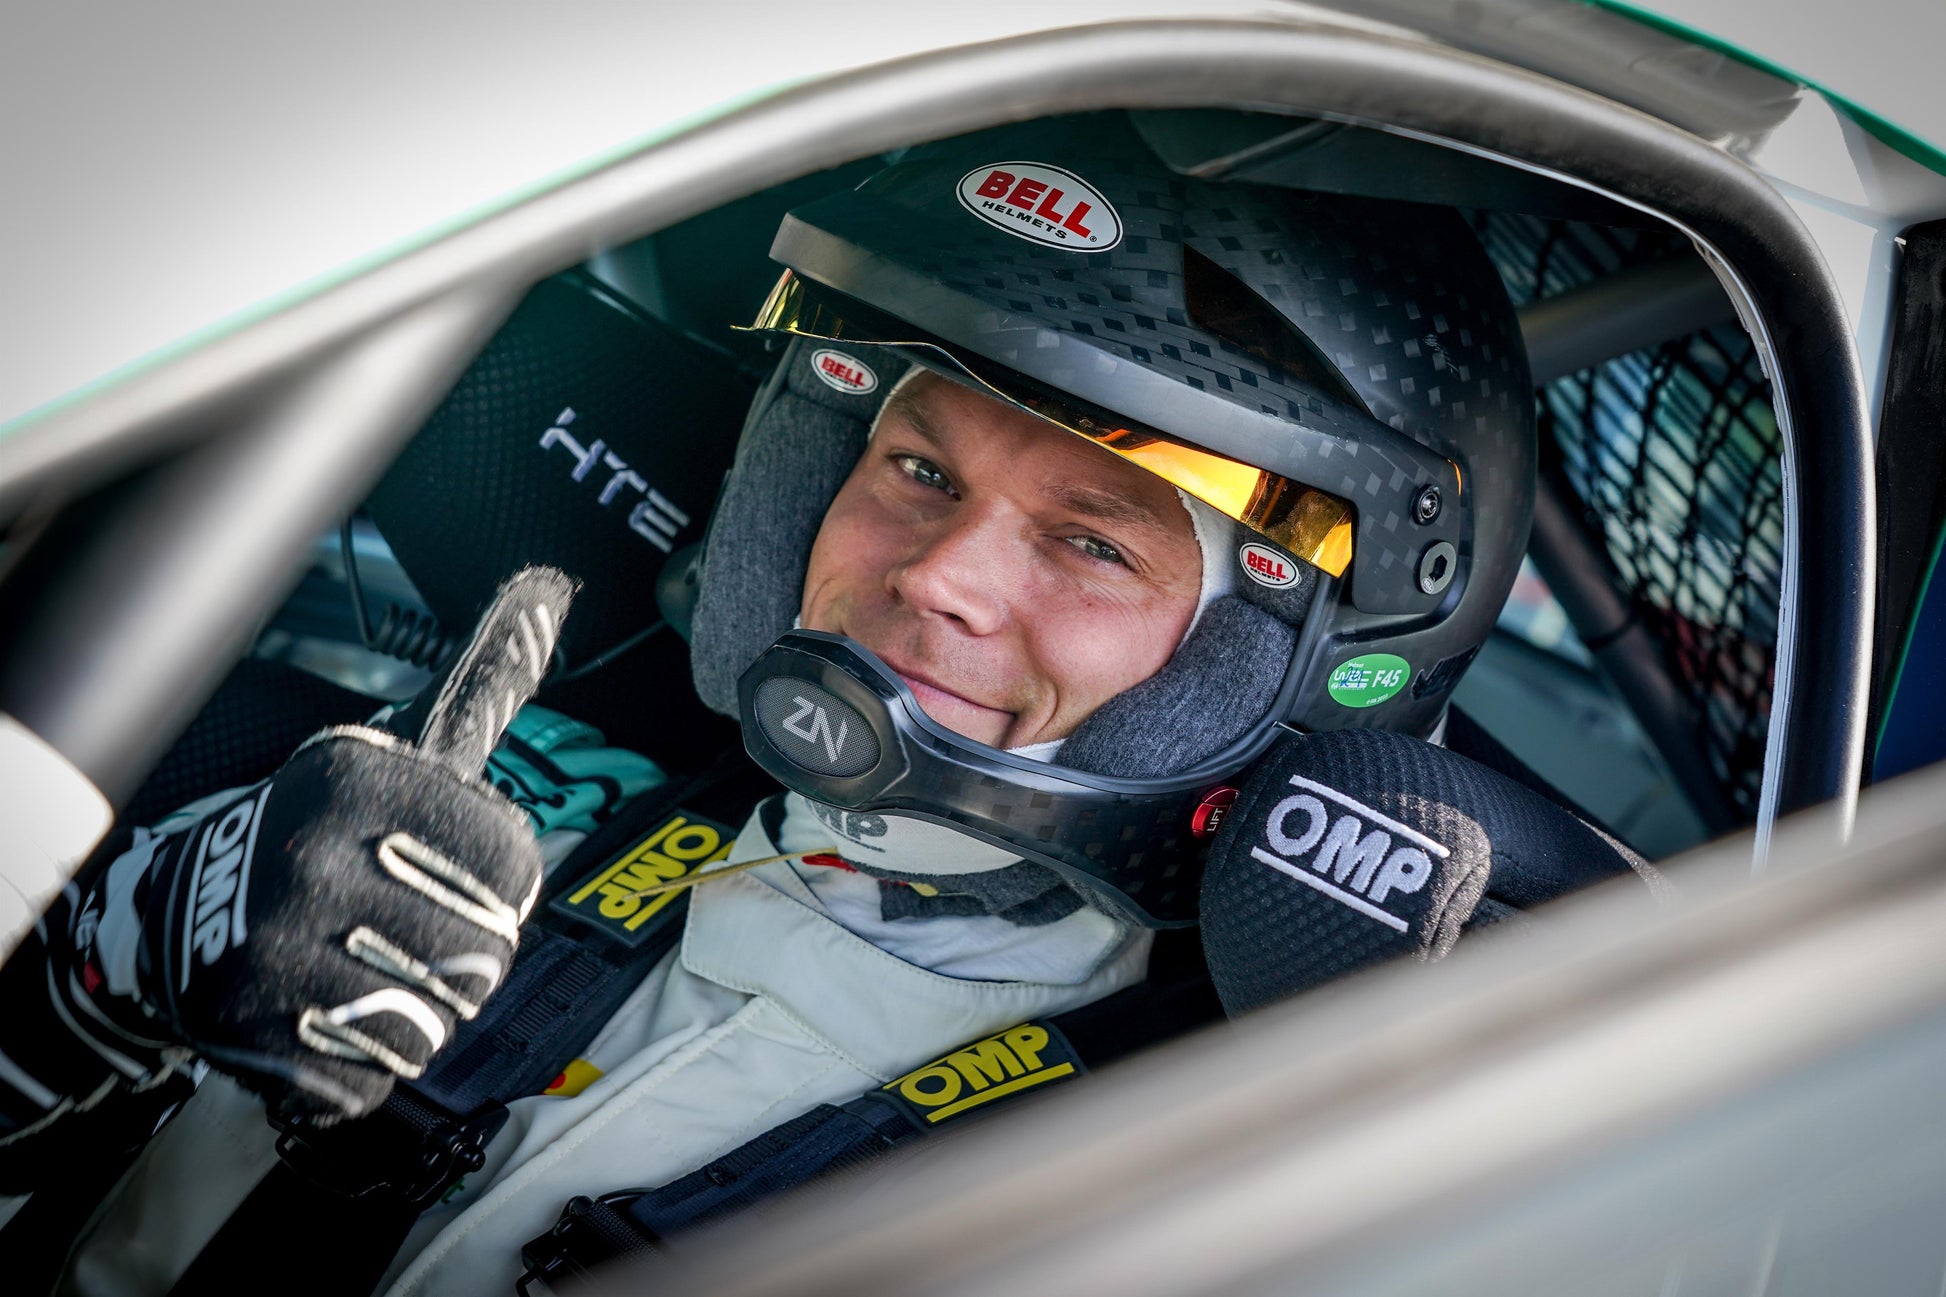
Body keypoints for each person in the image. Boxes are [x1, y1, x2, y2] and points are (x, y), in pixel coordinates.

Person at [0, 115, 1535, 1295]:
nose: (935, 575)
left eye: (1090, 542)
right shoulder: (467, 790)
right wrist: (87, 995)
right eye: (915, 467)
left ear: (1277, 650)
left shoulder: (1161, 1192)